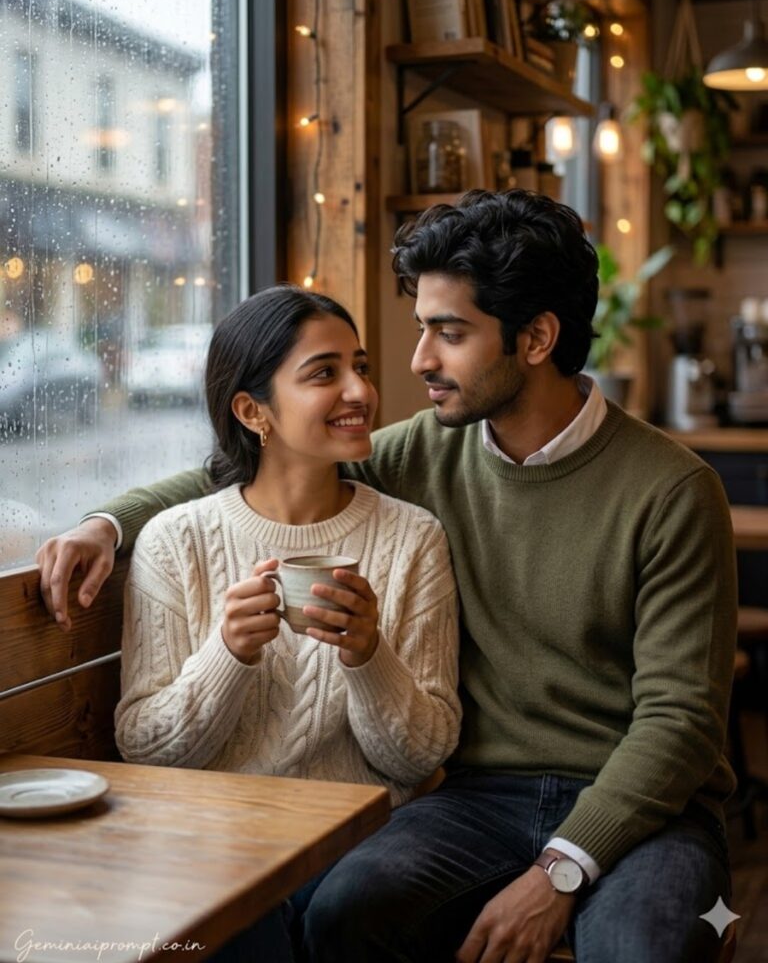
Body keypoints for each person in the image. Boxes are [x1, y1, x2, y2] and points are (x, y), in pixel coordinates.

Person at [37, 190, 737, 963]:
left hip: (651, 809)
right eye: (421, 330)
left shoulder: (673, 490)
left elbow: (681, 722)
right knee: (345, 912)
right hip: (479, 797)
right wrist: (106, 523)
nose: (419, 362)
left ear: (536, 338)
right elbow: (249, 472)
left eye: (450, 333)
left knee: (644, 949)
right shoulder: (430, 450)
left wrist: (559, 872)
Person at [109, 286, 461, 958]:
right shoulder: (174, 541)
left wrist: (367, 656)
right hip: (217, 845)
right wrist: (227, 655)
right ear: (251, 410)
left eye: (359, 366)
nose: (360, 390)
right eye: (324, 373)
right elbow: (144, 749)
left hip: (360, 848)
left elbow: (421, 755)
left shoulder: (412, 538)